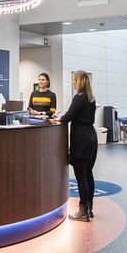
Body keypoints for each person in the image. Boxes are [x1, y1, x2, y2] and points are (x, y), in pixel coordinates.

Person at [52, 70, 98, 222]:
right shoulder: (90, 97)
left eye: (74, 80)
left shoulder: (79, 97)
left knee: (80, 176)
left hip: (81, 139)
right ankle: (89, 208)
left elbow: (69, 116)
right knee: (88, 173)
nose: (73, 82)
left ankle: (83, 211)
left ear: (79, 81)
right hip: (91, 136)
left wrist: (59, 119)